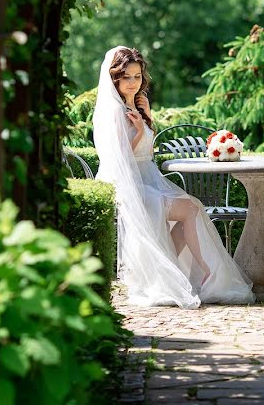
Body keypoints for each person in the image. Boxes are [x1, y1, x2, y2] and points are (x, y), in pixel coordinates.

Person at [93, 46, 254, 308]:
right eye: (127, 77)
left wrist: (147, 119)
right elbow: (119, 158)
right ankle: (202, 271)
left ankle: (170, 272)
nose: (133, 82)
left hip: (148, 177)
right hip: (128, 184)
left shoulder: (136, 104)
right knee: (190, 208)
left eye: (137, 76)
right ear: (115, 78)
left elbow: (148, 148)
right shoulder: (113, 110)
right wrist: (136, 131)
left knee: (193, 207)